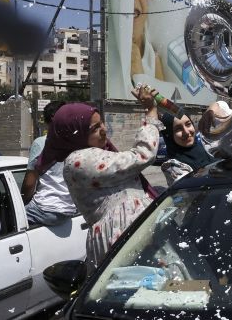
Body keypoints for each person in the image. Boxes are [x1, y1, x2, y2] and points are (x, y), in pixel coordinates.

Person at [35, 86, 161, 270]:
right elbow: (142, 155)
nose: (103, 129)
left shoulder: (98, 153)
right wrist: (150, 111)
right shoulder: (78, 161)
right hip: (120, 240)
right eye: (94, 128)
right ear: (73, 133)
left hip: (133, 237)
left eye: (101, 123)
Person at [21, 100, 76, 226]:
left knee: (9, 218)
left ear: (51, 119)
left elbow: (29, 185)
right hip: (69, 210)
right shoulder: (76, 144)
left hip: (45, 209)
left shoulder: (41, 143)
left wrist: (22, 202)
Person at [160, 110, 219, 186]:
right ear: (169, 135)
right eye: (178, 129)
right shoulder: (173, 166)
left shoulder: (206, 145)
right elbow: (190, 189)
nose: (186, 132)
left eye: (188, 124)